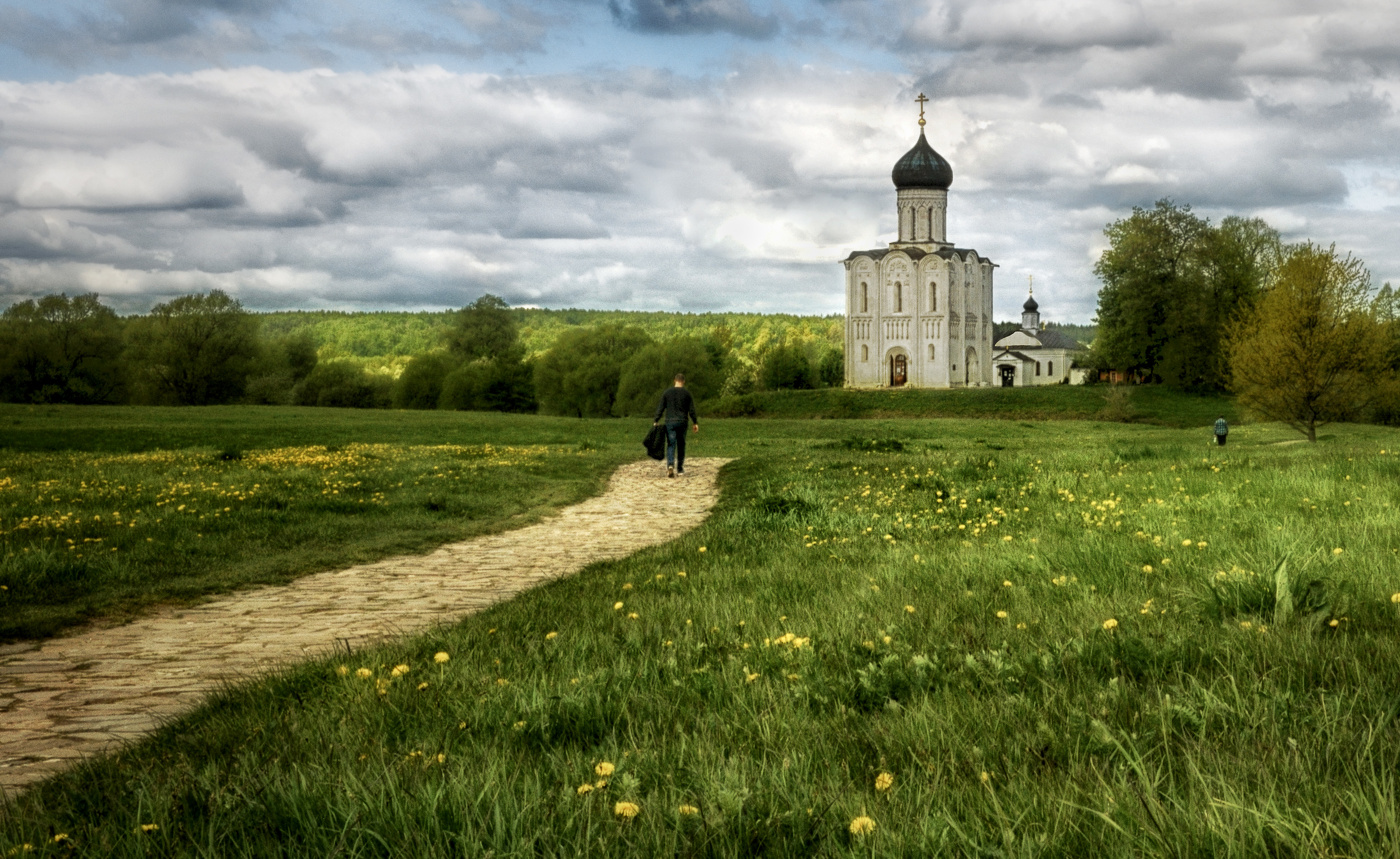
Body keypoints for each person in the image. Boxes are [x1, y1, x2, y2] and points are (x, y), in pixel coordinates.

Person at [653, 373, 699, 478]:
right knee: (681, 444)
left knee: (671, 443)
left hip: (670, 421)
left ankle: (670, 465)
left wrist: (656, 419)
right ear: (683, 381)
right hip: (682, 421)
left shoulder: (667, 393)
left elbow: (661, 407)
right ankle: (680, 469)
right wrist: (695, 422)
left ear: (675, 380)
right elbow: (691, 410)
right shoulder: (687, 394)